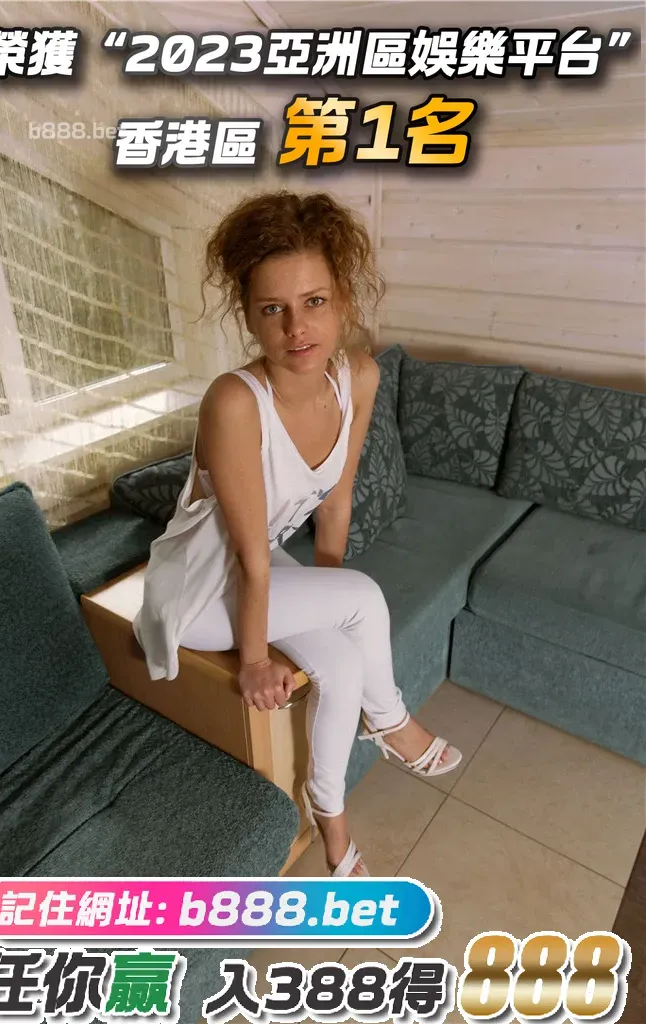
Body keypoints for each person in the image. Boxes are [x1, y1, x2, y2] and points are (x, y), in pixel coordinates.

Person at [133, 190, 461, 877]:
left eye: (314, 301)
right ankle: (391, 721)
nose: (296, 327)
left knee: (342, 662)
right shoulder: (235, 401)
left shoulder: (358, 378)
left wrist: (326, 604)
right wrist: (255, 659)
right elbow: (249, 555)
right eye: (272, 309)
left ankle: (331, 824)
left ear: (343, 298)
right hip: (199, 591)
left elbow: (335, 505)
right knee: (363, 597)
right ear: (248, 315)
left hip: (257, 571)